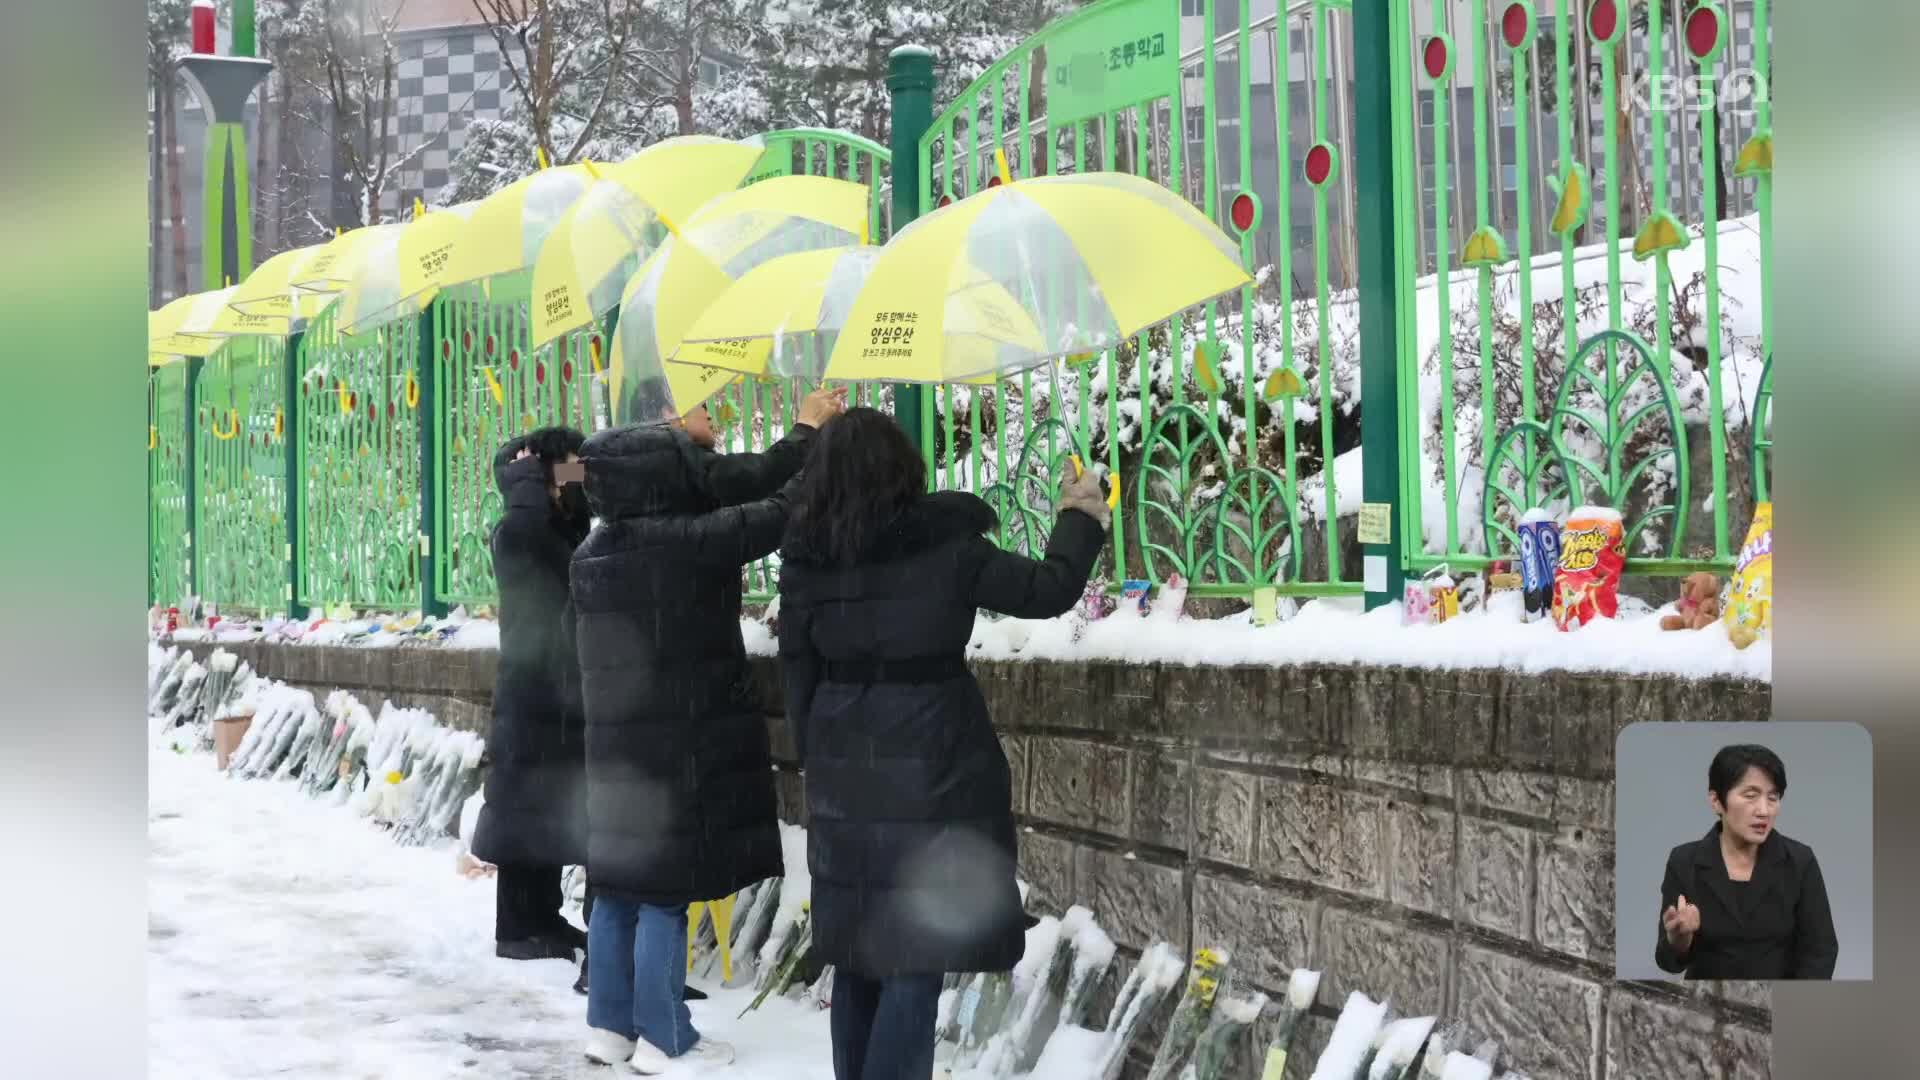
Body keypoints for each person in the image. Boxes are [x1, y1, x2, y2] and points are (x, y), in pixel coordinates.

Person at [773, 407, 1112, 1080]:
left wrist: (822, 750)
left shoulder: (806, 558)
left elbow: (796, 666)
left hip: (844, 757)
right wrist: (1080, 518)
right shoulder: (946, 543)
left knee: (861, 951)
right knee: (915, 949)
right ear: (903, 467)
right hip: (933, 756)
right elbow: (1046, 590)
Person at [572, 388, 847, 1072]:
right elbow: (777, 515)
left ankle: (608, 1028)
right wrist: (817, 444)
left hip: (611, 745)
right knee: (666, 890)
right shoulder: (683, 544)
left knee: (616, 887)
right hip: (675, 742)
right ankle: (666, 1037)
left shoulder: (592, 553)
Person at [471, 429, 592, 985]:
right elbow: (525, 536)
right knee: (524, 810)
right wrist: (525, 488)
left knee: (542, 808)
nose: (578, 473)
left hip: (556, 686)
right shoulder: (516, 528)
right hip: (532, 688)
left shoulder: (554, 525)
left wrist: (566, 483)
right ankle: (516, 929)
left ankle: (541, 916)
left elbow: (578, 516)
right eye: (567, 467)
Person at [1655, 743, 1839, 979]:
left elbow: (1821, 952)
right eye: (1751, 796)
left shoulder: (1800, 861)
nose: (1764, 810)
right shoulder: (1684, 861)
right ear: (1716, 801)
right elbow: (1667, 962)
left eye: (1773, 798)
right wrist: (1679, 941)